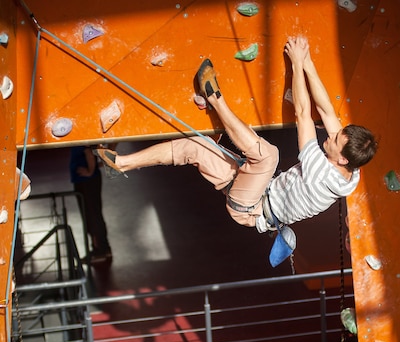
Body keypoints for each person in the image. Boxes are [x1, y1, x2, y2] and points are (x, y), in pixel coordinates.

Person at [96, 36, 377, 264]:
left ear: (341, 158)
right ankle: (121, 163)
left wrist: (297, 62)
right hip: (254, 193)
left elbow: (304, 113)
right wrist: (309, 63)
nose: (330, 135)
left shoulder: (320, 173)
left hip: (252, 206)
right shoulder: (350, 172)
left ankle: (215, 98)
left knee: (269, 155)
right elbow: (327, 111)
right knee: (194, 147)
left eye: (335, 139)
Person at [70, 146, 112, 265]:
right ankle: (104, 248)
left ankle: (99, 250)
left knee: (91, 215)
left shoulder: (81, 139)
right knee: (95, 213)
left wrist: (90, 171)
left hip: (86, 181)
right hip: (87, 180)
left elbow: (89, 153)